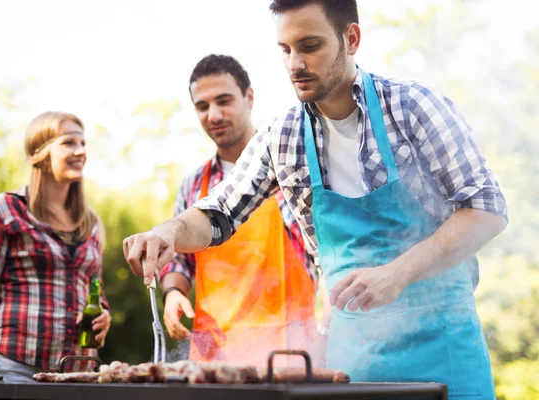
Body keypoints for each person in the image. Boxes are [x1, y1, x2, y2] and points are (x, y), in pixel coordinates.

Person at [123, 1, 507, 398]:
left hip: (444, 351)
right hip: (353, 359)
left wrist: (397, 273)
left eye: (309, 46)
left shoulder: (412, 108)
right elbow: (218, 211)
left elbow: (487, 209)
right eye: (285, 50)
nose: (295, 64)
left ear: (351, 39)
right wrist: (168, 232)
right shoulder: (282, 137)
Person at [159, 54, 320, 366]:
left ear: (249, 97)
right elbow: (179, 258)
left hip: (288, 349)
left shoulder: (290, 168)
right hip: (214, 354)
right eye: (202, 106)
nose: (214, 114)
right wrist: (173, 293)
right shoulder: (194, 185)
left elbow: (327, 250)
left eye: (224, 100)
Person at [0, 111, 112, 399]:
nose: (80, 151)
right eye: (68, 143)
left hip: (78, 373)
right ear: (39, 153)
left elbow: (96, 295)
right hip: (15, 370)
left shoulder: (91, 224)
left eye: (83, 143)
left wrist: (104, 315)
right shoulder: (4, 210)